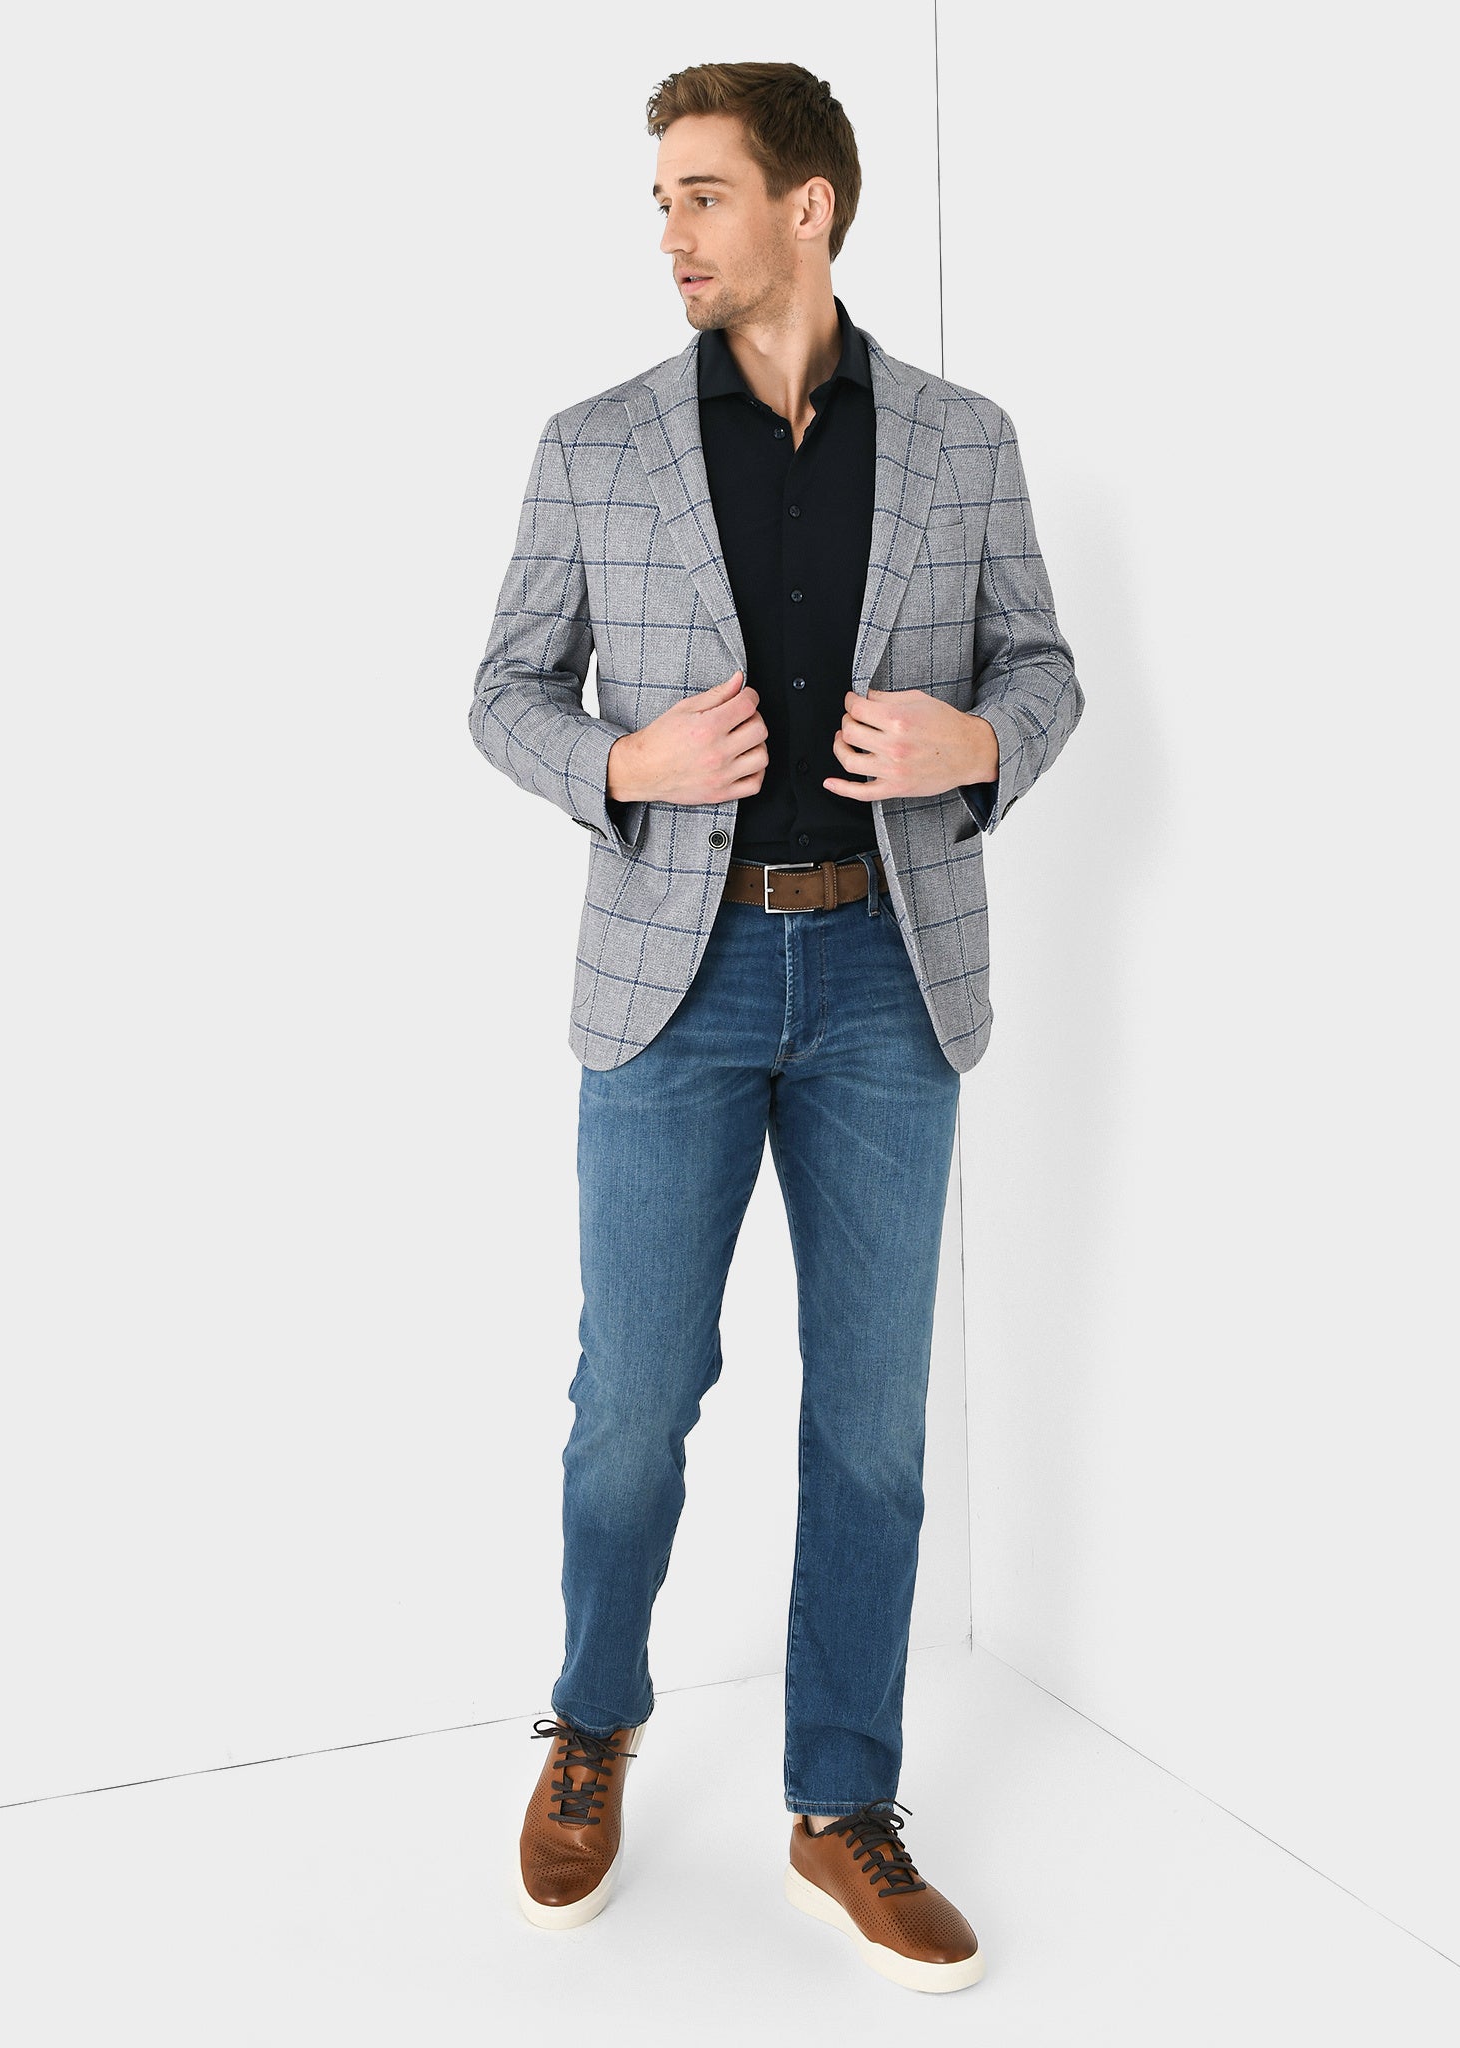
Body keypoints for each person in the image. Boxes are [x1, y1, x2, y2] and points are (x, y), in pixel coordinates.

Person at [468, 60, 1083, 1994]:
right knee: (633, 1405)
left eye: (703, 193)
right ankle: (594, 1720)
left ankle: (840, 1802)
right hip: (677, 983)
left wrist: (979, 741)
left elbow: (1044, 668)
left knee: (874, 1430)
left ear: (807, 207)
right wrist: (621, 763)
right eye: (661, 195)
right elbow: (501, 693)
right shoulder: (596, 445)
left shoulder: (966, 441)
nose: (669, 229)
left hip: (894, 981)